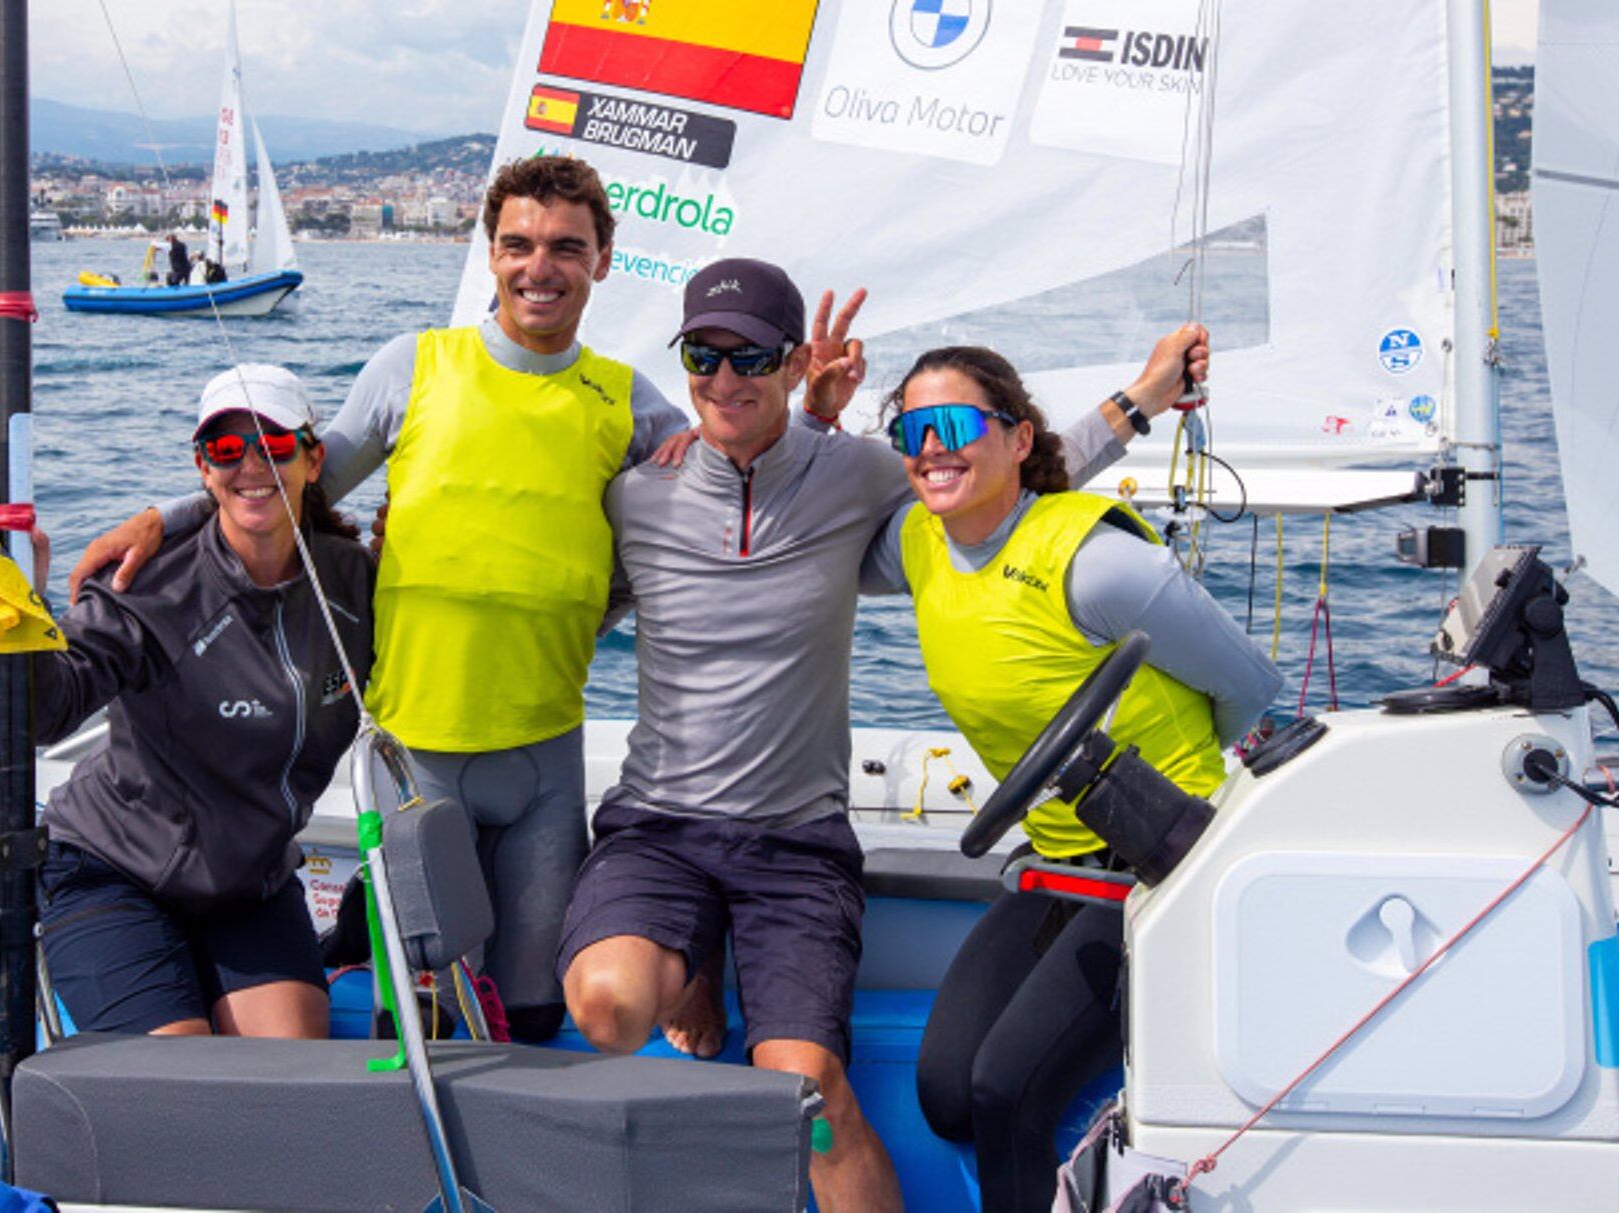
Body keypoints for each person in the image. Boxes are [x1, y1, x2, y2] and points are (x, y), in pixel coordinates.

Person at [556, 257, 1202, 1212]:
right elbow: (543, 587)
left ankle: (705, 958)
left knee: (807, 1094)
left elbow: (1001, 489)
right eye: (704, 355)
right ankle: (694, 958)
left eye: (752, 358)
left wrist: (1142, 399)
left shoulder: (857, 475)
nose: (724, 379)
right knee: (606, 1006)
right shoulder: (634, 495)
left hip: (794, 847)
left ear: (790, 364)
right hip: (658, 827)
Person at [64, 156, 689, 1044]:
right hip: (414, 758)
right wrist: (163, 518)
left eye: (565, 248)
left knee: (539, 1013)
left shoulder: (627, 400)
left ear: (603, 258)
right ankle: (371, 942)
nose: (538, 267)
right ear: (490, 252)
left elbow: (720, 492)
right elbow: (285, 488)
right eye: (517, 245)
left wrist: (809, 418)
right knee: (429, 1018)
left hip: (545, 756)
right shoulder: (415, 366)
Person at [877, 347, 1281, 1211]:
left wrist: (1183, 802)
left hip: (1164, 869)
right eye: (910, 430)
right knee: (947, 1093)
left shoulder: (1093, 560)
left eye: (952, 425)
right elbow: (809, 522)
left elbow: (1249, 684)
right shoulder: (919, 542)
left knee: (1002, 1090)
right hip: (1059, 863)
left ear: (1019, 439)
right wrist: (1137, 401)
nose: (930, 448)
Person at [0, 365, 373, 1037]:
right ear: (203, 467)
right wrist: (23, 615)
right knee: (183, 1077)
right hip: (114, 869)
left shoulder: (354, 582)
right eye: (226, 449)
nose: (250, 463)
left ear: (313, 458)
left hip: (249, 883)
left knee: (293, 1067)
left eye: (272, 443)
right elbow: (45, 715)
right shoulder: (149, 581)